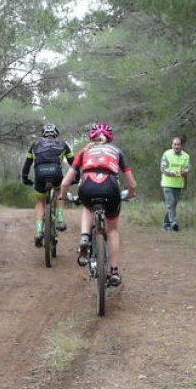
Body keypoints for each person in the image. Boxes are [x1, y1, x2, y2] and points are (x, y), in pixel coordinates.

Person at [60, 122, 137, 287]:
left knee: (87, 207)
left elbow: (66, 183)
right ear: (109, 138)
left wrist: (63, 196)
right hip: (111, 188)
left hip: (87, 187)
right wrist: (130, 195)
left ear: (92, 138)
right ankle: (114, 271)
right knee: (113, 229)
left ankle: (84, 237)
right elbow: (132, 184)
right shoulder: (116, 151)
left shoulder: (84, 151)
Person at [21, 123, 74, 248]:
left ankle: (39, 231)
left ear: (43, 134)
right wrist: (77, 177)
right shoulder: (63, 144)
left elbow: (27, 164)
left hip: (40, 175)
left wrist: (25, 178)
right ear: (56, 134)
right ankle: (60, 220)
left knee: (40, 201)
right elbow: (74, 163)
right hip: (56, 173)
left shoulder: (35, 145)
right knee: (60, 191)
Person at [160, 136, 190, 232]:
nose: (176, 146)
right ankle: (174, 223)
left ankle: (166, 225)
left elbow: (188, 168)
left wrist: (184, 171)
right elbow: (163, 169)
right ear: (172, 145)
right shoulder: (166, 154)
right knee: (171, 203)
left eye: (178, 144)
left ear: (181, 146)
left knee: (172, 205)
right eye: (174, 144)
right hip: (167, 183)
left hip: (178, 184)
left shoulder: (186, 156)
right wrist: (174, 172)